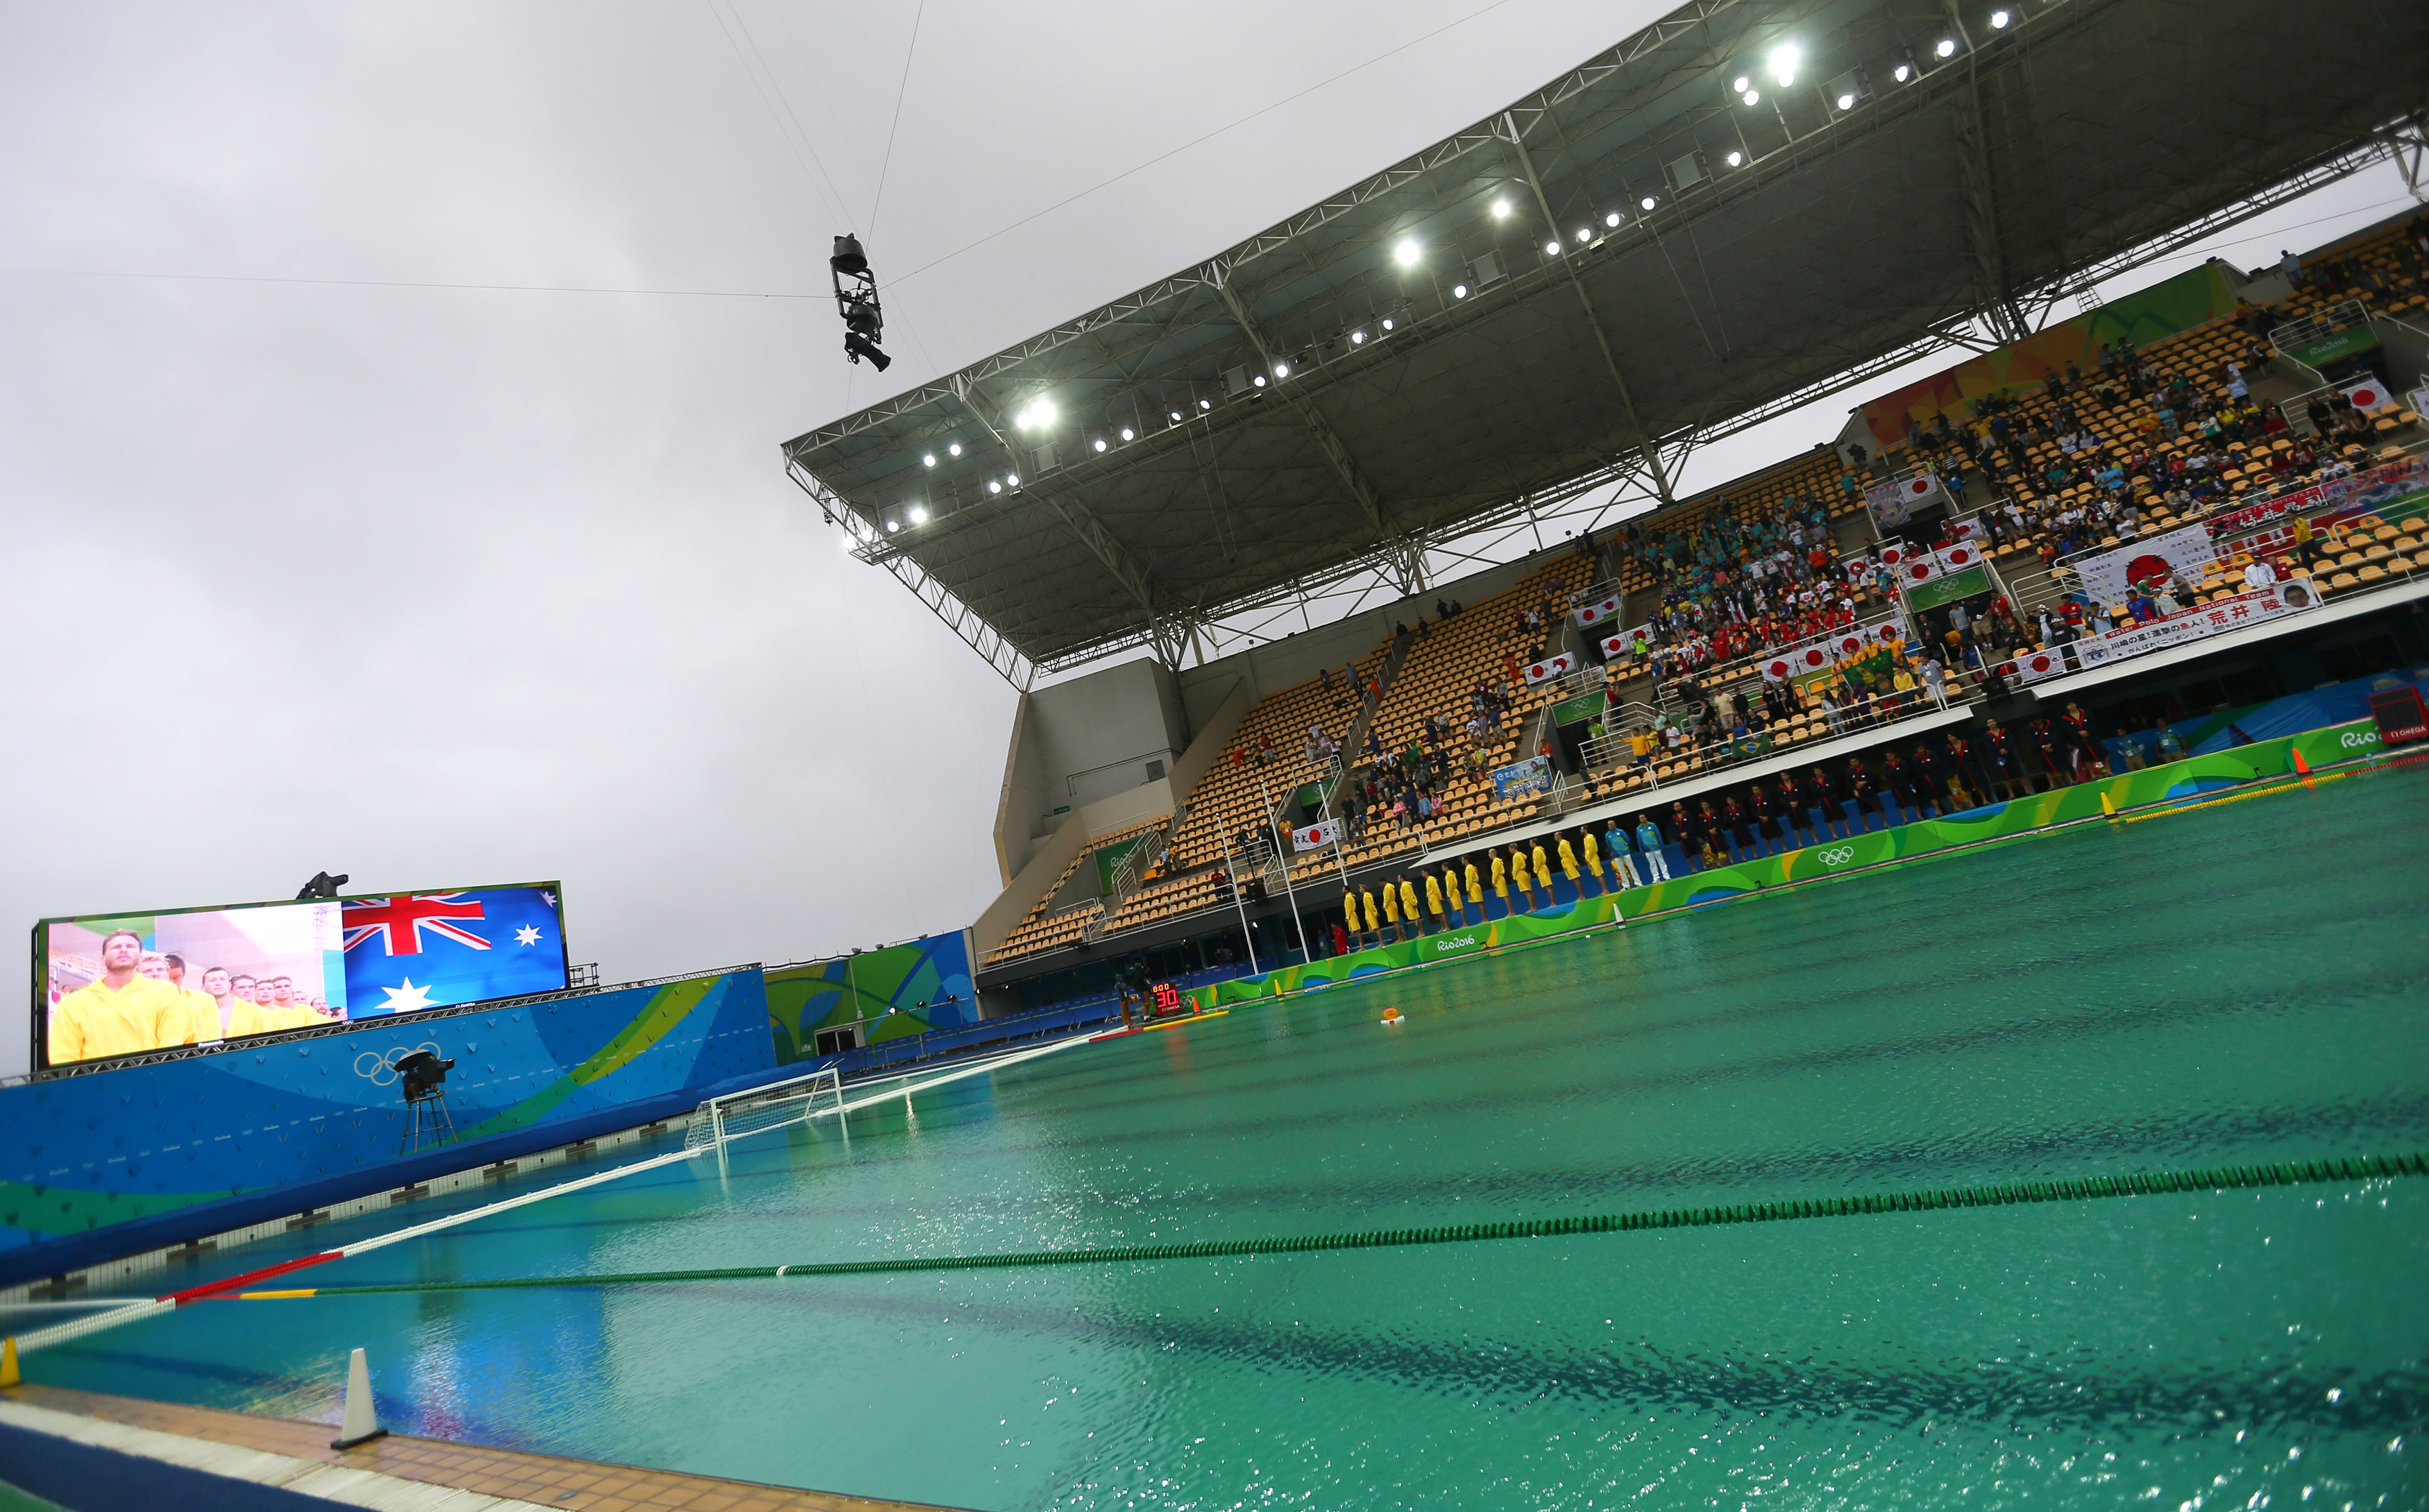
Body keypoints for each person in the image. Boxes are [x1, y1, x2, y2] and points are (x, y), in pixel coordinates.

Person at [49, 930, 192, 1063]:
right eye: (116, 947)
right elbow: (63, 1056)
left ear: (140, 958)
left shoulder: (166, 991)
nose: (123, 950)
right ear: (103, 959)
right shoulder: (73, 1003)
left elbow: (171, 1042)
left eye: (130, 946)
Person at [1634, 815, 1670, 882]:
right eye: (1640, 818)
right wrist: (1642, 851)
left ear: (1646, 818)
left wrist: (1661, 846)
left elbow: (1658, 835)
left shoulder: (1652, 825)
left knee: (1661, 862)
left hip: (1656, 847)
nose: (1642, 819)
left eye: (1643, 817)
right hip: (1647, 849)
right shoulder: (1639, 829)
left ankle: (1666, 876)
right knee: (1652, 864)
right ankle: (1656, 878)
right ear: (1639, 820)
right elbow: (1639, 840)